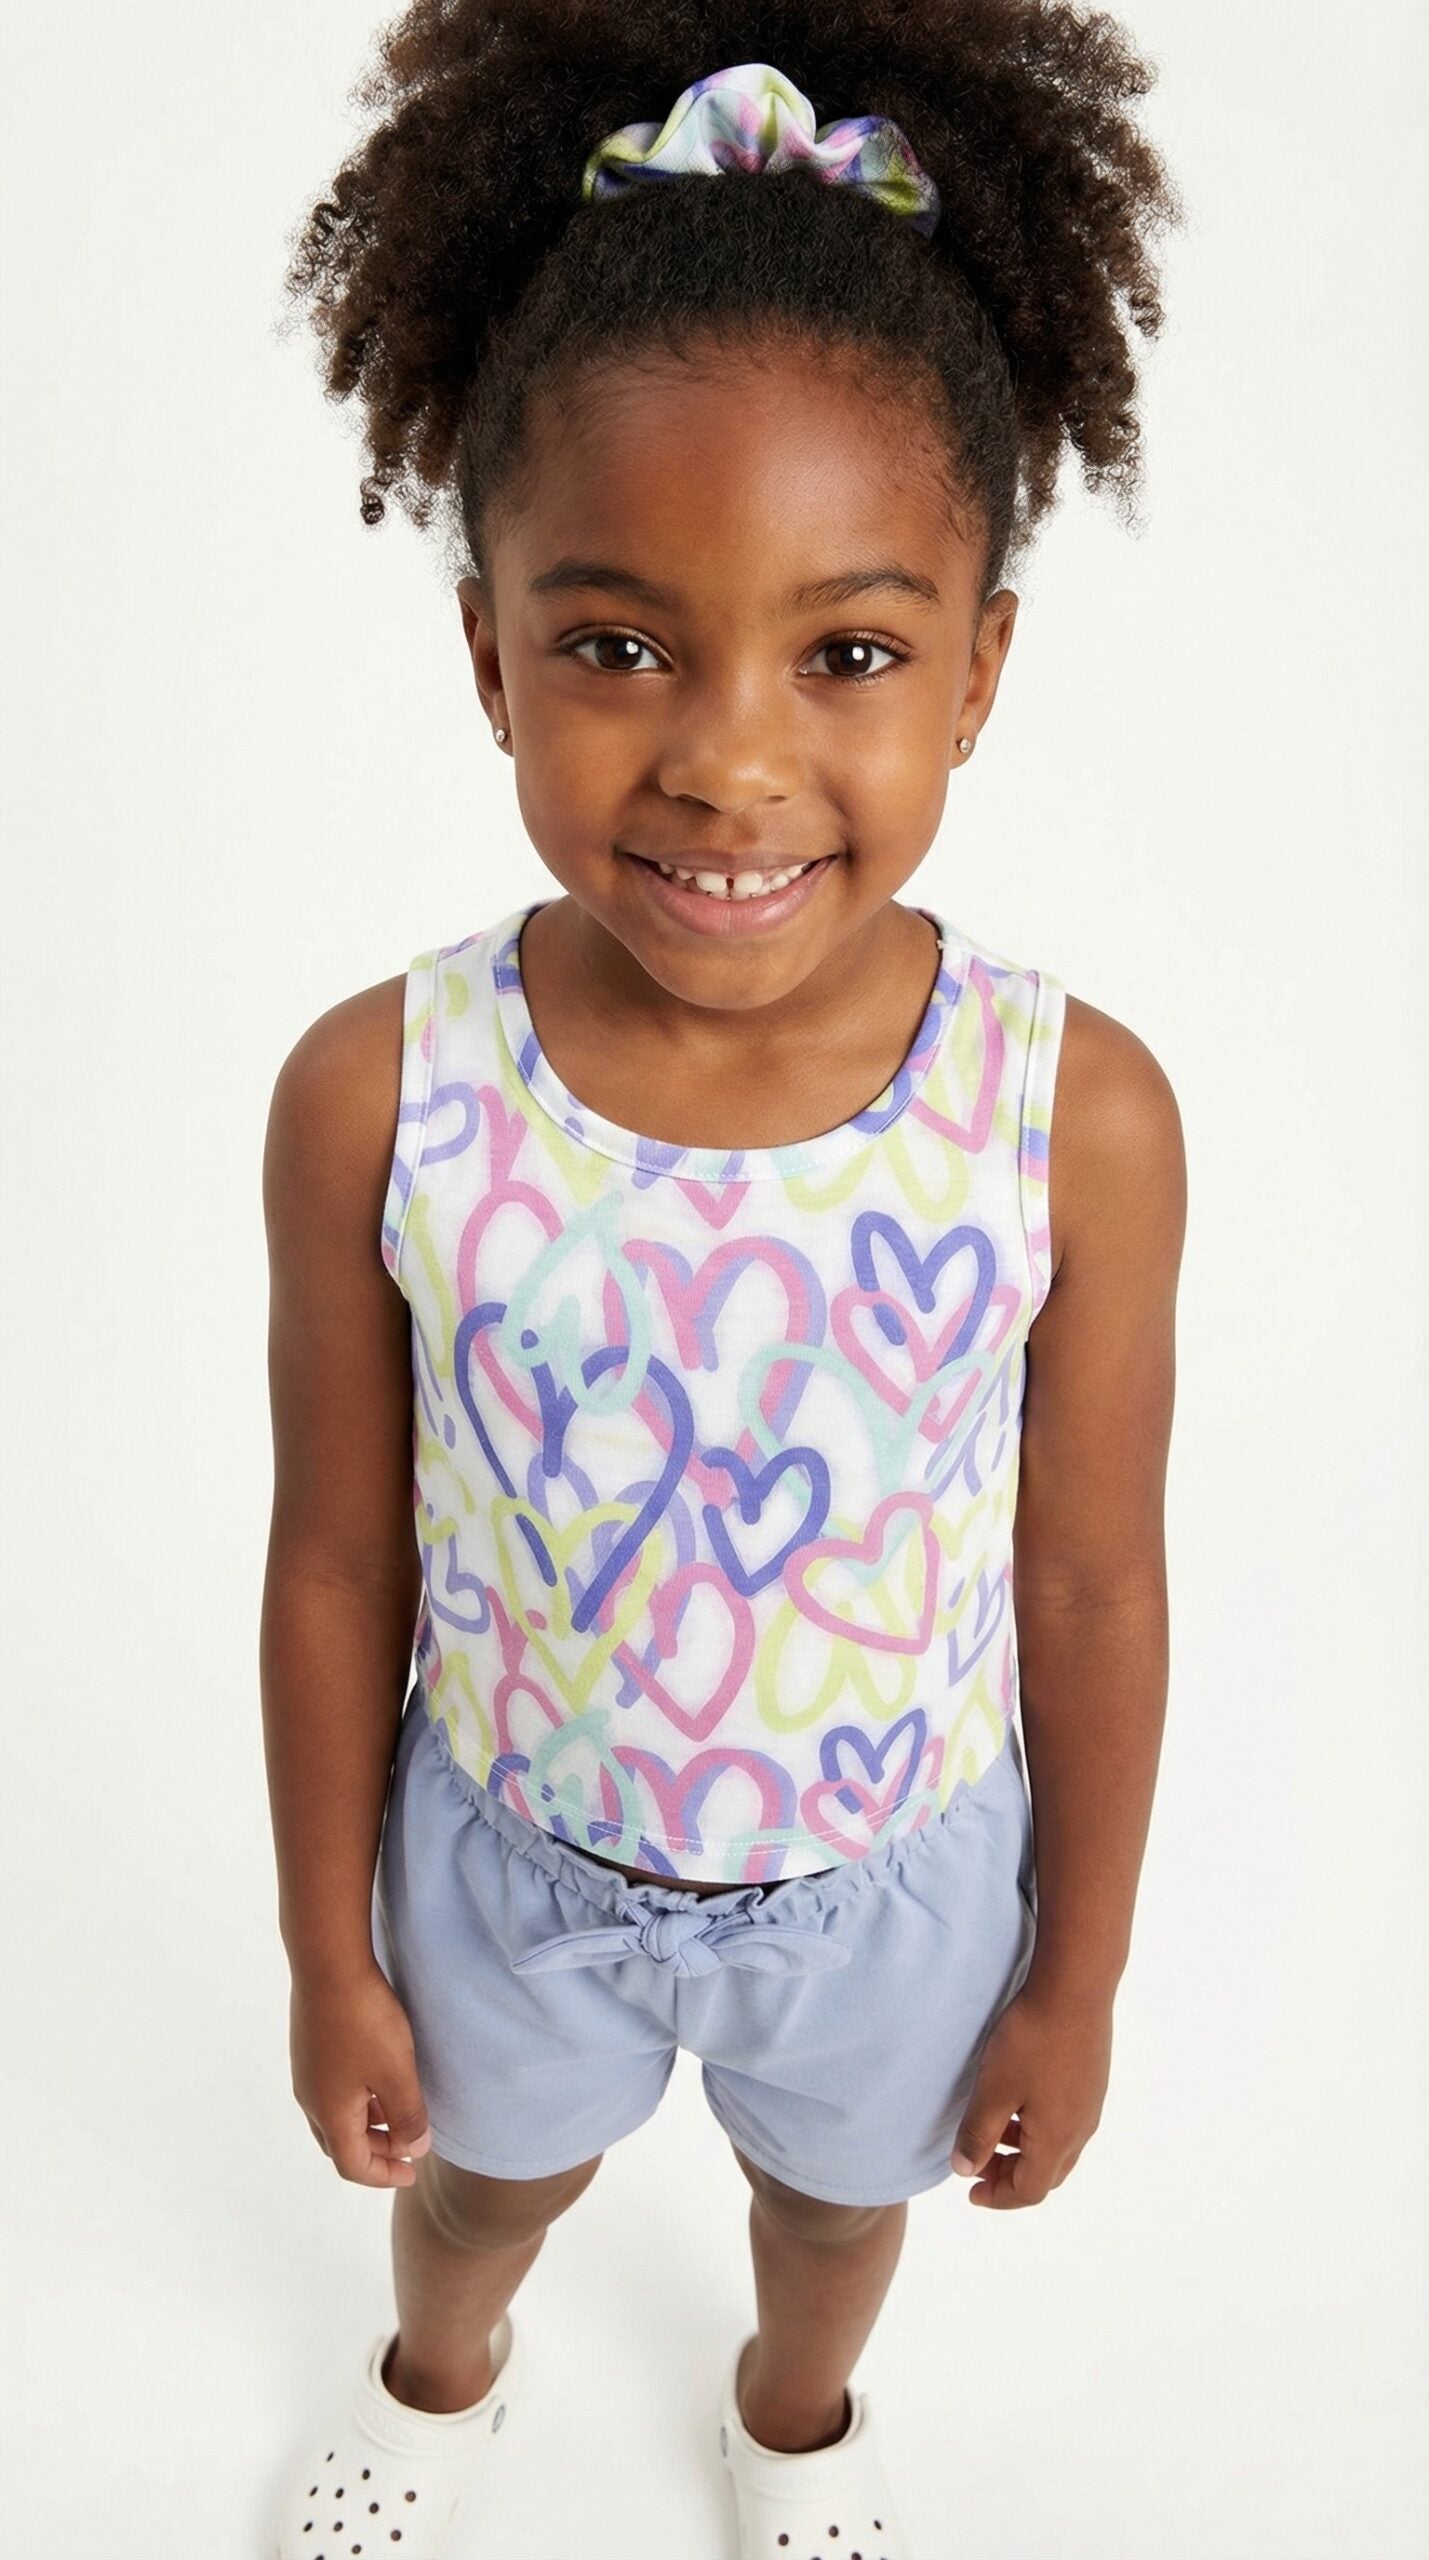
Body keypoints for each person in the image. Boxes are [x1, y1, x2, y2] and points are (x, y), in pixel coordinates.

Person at [261, 9, 1187, 2555]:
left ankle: (791, 2426)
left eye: (848, 653)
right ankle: (441, 2378)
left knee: (833, 2218)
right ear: (488, 651)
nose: (729, 760)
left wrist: (1073, 1970)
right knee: (477, 2190)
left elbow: (1090, 1577)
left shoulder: (1071, 1112)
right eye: (619, 644)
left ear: (979, 665)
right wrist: (330, 1946)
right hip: (504, 1855)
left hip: (897, 1877)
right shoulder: (383, 1089)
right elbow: (336, 1555)